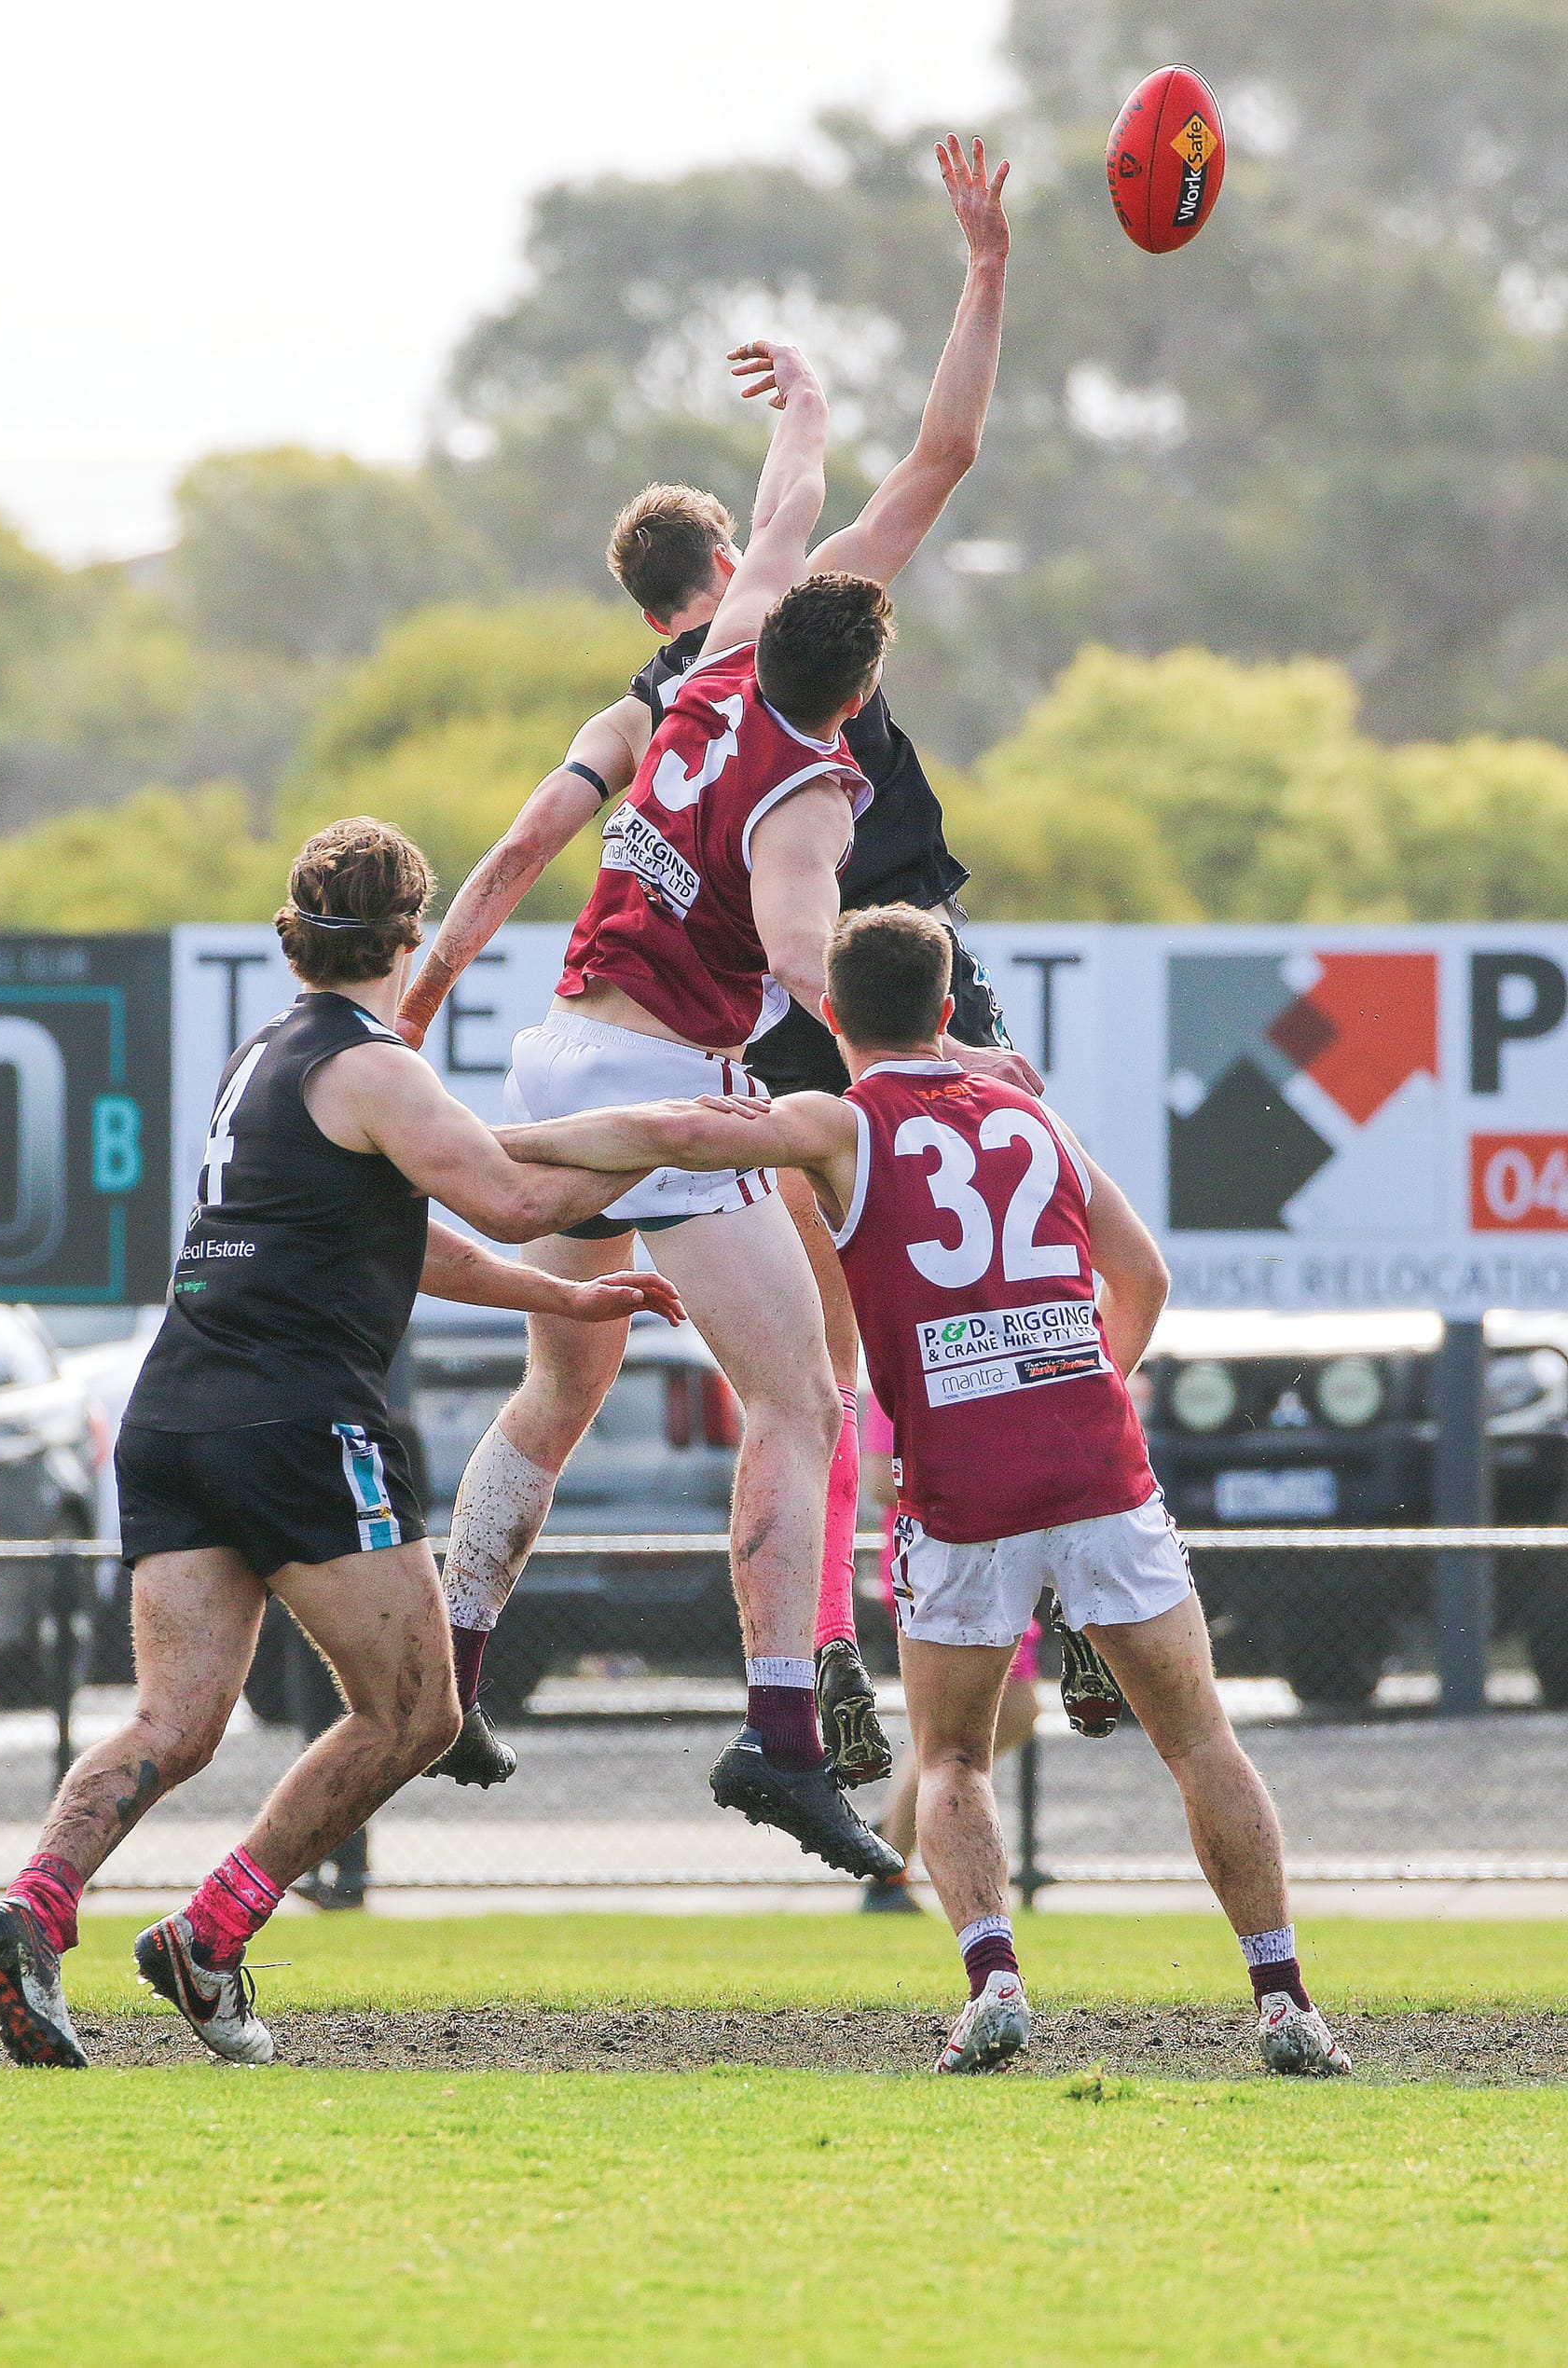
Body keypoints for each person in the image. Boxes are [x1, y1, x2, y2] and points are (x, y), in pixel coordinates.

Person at [398, 137, 1035, 1786]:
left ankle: (463, 1656)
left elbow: (512, 862)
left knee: (592, 1350)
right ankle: (905, 1641)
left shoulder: (670, 684)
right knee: (918, 1332)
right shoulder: (806, 688)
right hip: (839, 1000)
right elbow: (936, 456)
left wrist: (414, 1000)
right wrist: (969, 280)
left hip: (615, 1036)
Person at [498, 904, 1353, 2078]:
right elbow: (1141, 1274)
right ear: (948, 1010)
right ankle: (1284, 2000)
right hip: (1094, 1459)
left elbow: (673, 1130)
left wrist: (507, 1141)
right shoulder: (1031, 1114)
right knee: (1200, 1737)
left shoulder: (837, 1127)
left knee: (948, 1757)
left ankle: (993, 1982)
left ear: (829, 1015)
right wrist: (1087, 1378)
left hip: (960, 1490)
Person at [0, 819, 685, 2069]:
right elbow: (515, 1201)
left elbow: (400, 1235)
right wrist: (691, 1144)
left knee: (175, 1724)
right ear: (410, 941)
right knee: (416, 1711)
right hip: (298, 1419)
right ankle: (212, 1933)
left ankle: (34, 1906)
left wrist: (566, 1299)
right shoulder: (378, 1065)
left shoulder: (265, 1055)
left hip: (177, 1412)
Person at [855, 1390, 1040, 1913]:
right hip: (937, 1569)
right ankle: (891, 1855)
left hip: (995, 1560)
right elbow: (877, 1484)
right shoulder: (893, 1387)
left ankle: (892, 1838)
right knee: (955, 1737)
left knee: (999, 1720)